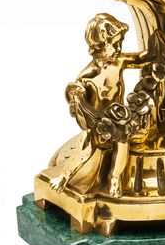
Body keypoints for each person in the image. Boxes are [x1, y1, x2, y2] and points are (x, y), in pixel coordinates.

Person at [49, 14, 149, 197]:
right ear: (99, 46)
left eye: (121, 43)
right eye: (115, 44)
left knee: (122, 142)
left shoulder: (119, 62)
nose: (119, 49)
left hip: (120, 122)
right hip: (97, 125)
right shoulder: (87, 76)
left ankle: (114, 178)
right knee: (85, 148)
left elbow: (141, 59)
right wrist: (74, 95)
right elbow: (77, 98)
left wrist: (158, 48)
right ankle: (64, 177)